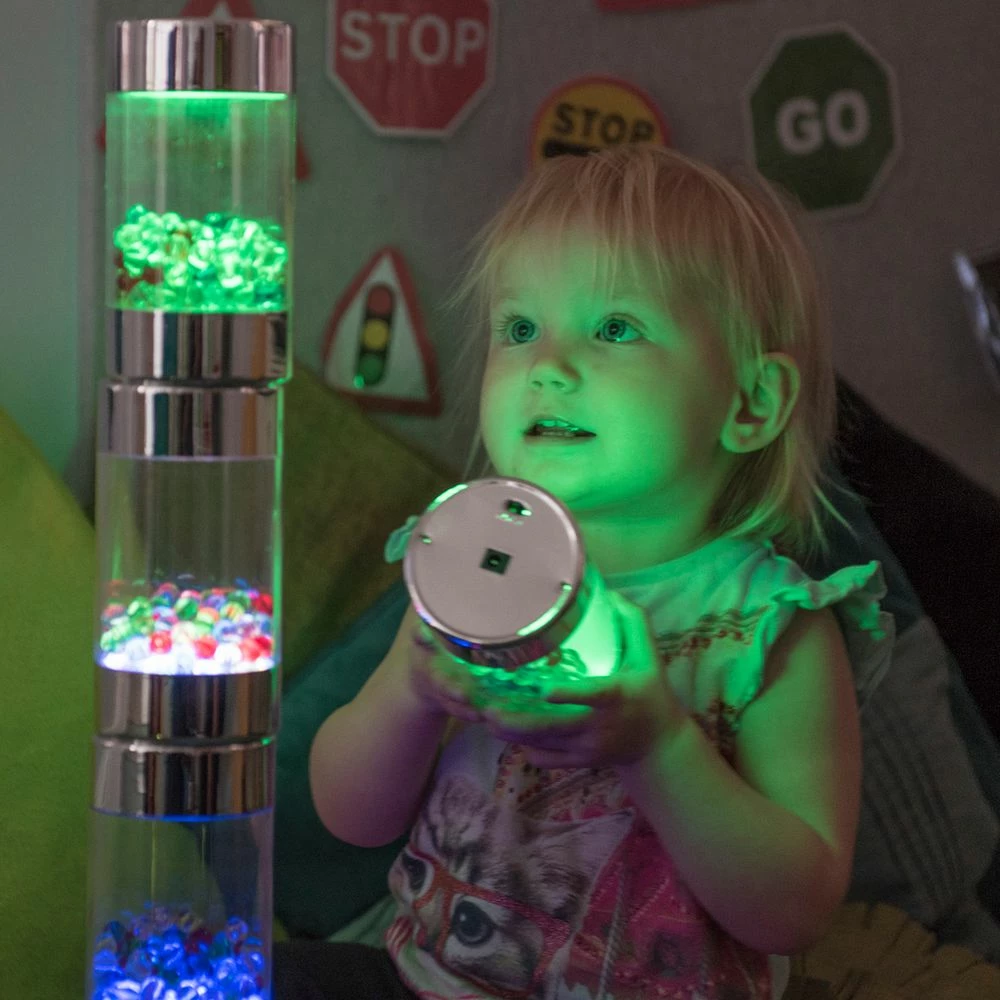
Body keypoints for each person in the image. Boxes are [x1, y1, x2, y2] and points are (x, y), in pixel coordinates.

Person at [278, 146, 893, 1000]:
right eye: (519, 329)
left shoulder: (769, 626)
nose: (548, 365)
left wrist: (659, 747)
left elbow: (793, 911)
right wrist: (409, 694)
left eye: (615, 329)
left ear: (751, 403)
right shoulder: (469, 569)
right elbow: (351, 817)